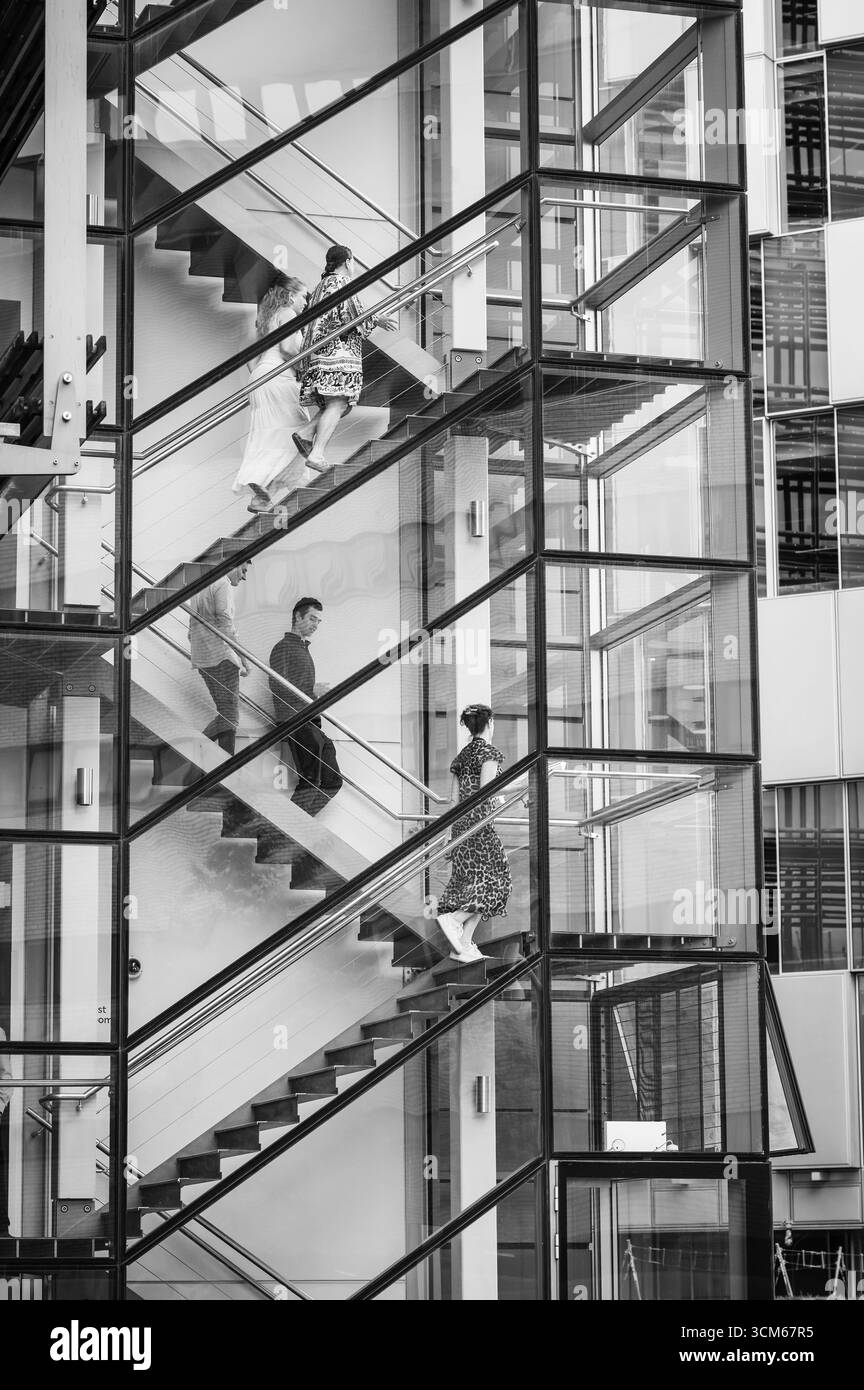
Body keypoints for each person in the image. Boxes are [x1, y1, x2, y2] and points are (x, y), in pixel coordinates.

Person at [292, 244, 396, 470]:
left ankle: (306, 433)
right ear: (348, 261)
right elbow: (354, 313)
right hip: (337, 355)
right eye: (353, 261)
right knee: (339, 402)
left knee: (341, 404)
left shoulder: (321, 286)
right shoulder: (342, 282)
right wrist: (377, 319)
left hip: (319, 354)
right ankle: (316, 453)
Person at [232, 276, 320, 514]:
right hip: (279, 377)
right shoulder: (288, 314)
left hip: (261, 377)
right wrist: (313, 359)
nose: (306, 302)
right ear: (291, 296)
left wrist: (260, 375)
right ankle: (274, 485)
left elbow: (249, 354)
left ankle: (261, 493)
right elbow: (289, 348)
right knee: (303, 431)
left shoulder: (266, 318)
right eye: (304, 297)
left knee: (270, 433)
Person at [436, 703, 512, 964]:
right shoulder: (489, 753)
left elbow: (454, 800)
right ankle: (454, 920)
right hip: (479, 824)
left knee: (473, 883)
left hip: (461, 826)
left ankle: (464, 943)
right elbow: (487, 791)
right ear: (489, 723)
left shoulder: (462, 756)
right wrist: (525, 784)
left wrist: (449, 833)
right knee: (496, 881)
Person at [269, 597, 343, 816]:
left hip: (308, 721)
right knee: (310, 781)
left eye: (318, 621)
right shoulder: (283, 648)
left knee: (332, 781)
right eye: (312, 618)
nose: (315, 624)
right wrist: (312, 691)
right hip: (293, 720)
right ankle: (281, 837)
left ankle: (298, 830)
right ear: (298, 617)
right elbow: (278, 687)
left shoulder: (303, 649)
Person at [188, 563, 251, 755]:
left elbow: (191, 632)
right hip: (222, 659)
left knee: (226, 715)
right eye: (243, 570)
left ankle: (204, 755)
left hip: (203, 659)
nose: (244, 577)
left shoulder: (201, 584)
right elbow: (225, 625)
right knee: (230, 716)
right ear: (235, 564)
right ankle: (222, 767)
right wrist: (245, 659)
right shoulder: (222, 583)